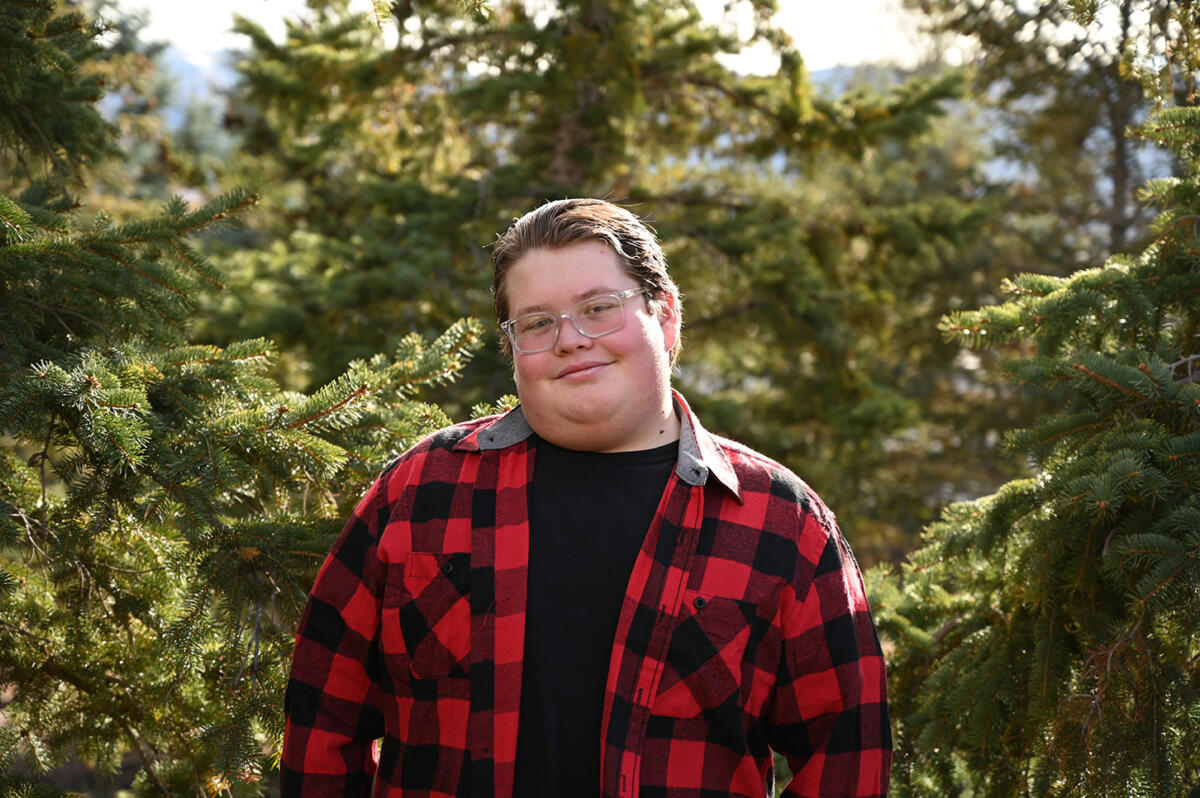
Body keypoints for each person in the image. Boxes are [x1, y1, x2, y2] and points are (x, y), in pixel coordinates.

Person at [282, 198, 892, 797]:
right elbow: (323, 717)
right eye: (537, 323)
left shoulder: (781, 521)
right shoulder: (421, 491)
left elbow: (847, 756)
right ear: (512, 348)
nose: (570, 339)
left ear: (666, 315)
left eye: (598, 308)